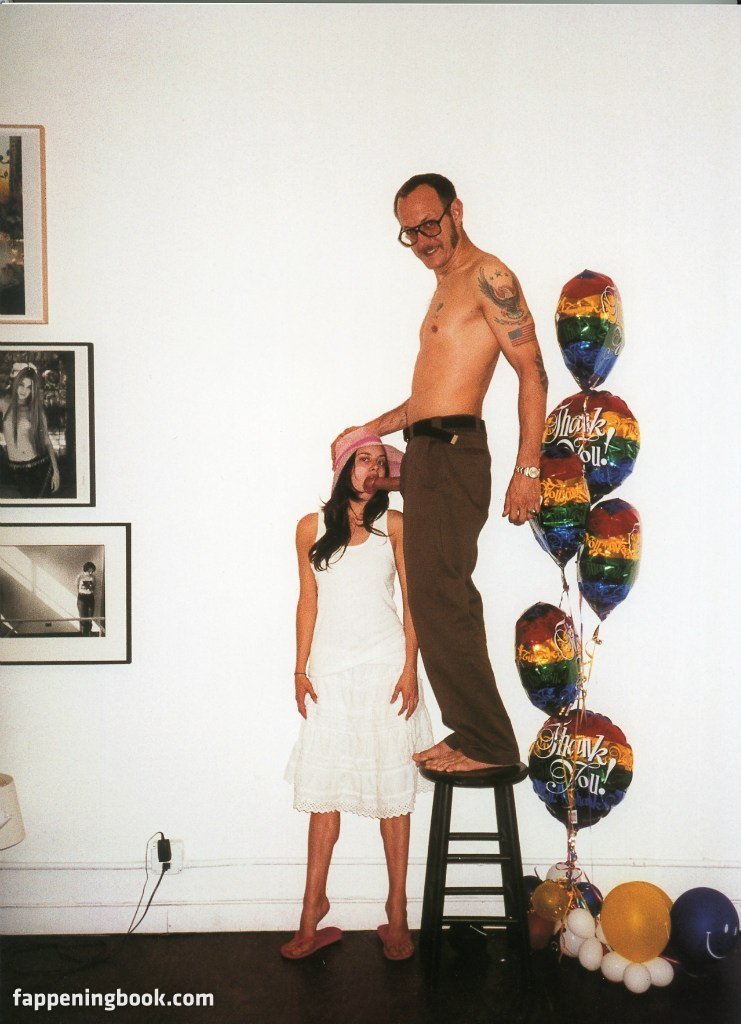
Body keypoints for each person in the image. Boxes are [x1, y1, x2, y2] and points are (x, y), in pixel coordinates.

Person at [332, 173, 548, 774]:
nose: (423, 239)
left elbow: (532, 371)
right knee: (428, 595)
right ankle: (470, 730)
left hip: (455, 452)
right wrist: (368, 431)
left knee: (444, 592)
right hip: (428, 450)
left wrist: (527, 468)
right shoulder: (445, 286)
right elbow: (426, 401)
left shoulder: (488, 276)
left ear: (457, 212)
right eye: (410, 232)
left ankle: (489, 743)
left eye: (430, 224)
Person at [282, 428, 434, 961]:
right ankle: (312, 911)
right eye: (362, 460)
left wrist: (410, 668)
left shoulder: (396, 525)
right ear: (344, 467)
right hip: (331, 673)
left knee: (393, 793)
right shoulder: (310, 528)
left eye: (380, 462)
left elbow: (414, 601)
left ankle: (397, 913)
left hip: (386, 669)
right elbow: (307, 600)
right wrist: (299, 669)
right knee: (325, 793)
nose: (372, 470)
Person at [0, 365, 60, 498]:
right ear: (16, 383)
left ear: (33, 391)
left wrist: (56, 472)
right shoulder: (4, 404)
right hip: (12, 469)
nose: (24, 390)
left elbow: (47, 442)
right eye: (22, 384)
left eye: (29, 387)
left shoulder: (35, 411)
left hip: (37, 469)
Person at [76, 562, 97, 637]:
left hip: (90, 598)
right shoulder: (80, 576)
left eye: (92, 571)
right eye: (89, 571)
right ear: (85, 570)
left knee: (90, 617)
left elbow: (94, 587)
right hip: (81, 598)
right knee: (83, 618)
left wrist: (90, 589)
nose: (91, 573)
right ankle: (83, 634)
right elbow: (77, 586)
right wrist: (82, 592)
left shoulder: (93, 577)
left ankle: (88, 633)